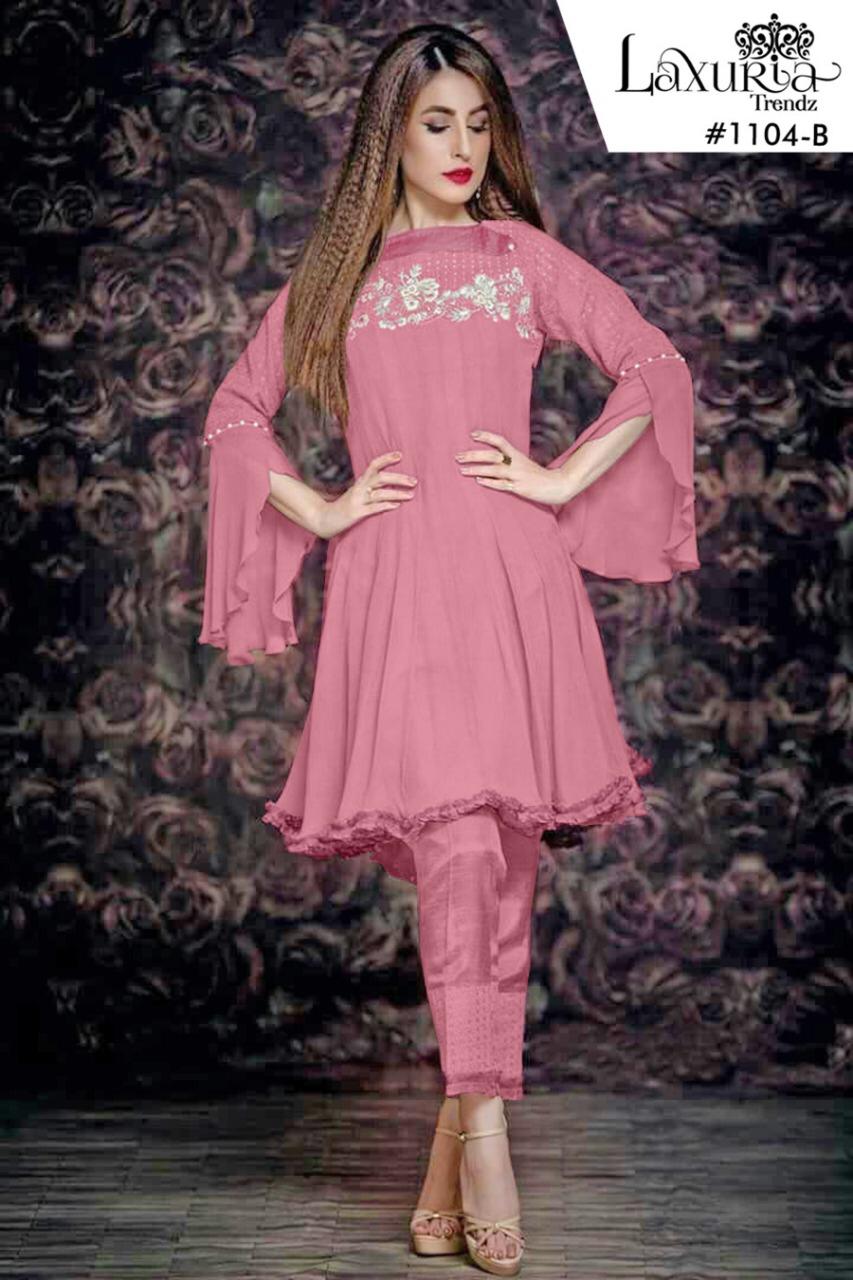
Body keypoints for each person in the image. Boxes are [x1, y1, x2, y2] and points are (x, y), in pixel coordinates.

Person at [197, 22, 699, 1277]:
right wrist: (317, 507)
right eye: (437, 124)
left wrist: (561, 475)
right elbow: (235, 412)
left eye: (479, 123)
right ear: (392, 135)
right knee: (460, 852)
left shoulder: (520, 256)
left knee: (503, 862)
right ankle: (486, 1143)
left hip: (514, 581)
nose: (463, 146)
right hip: (395, 589)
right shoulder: (338, 277)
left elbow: (652, 362)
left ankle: (457, 1139)